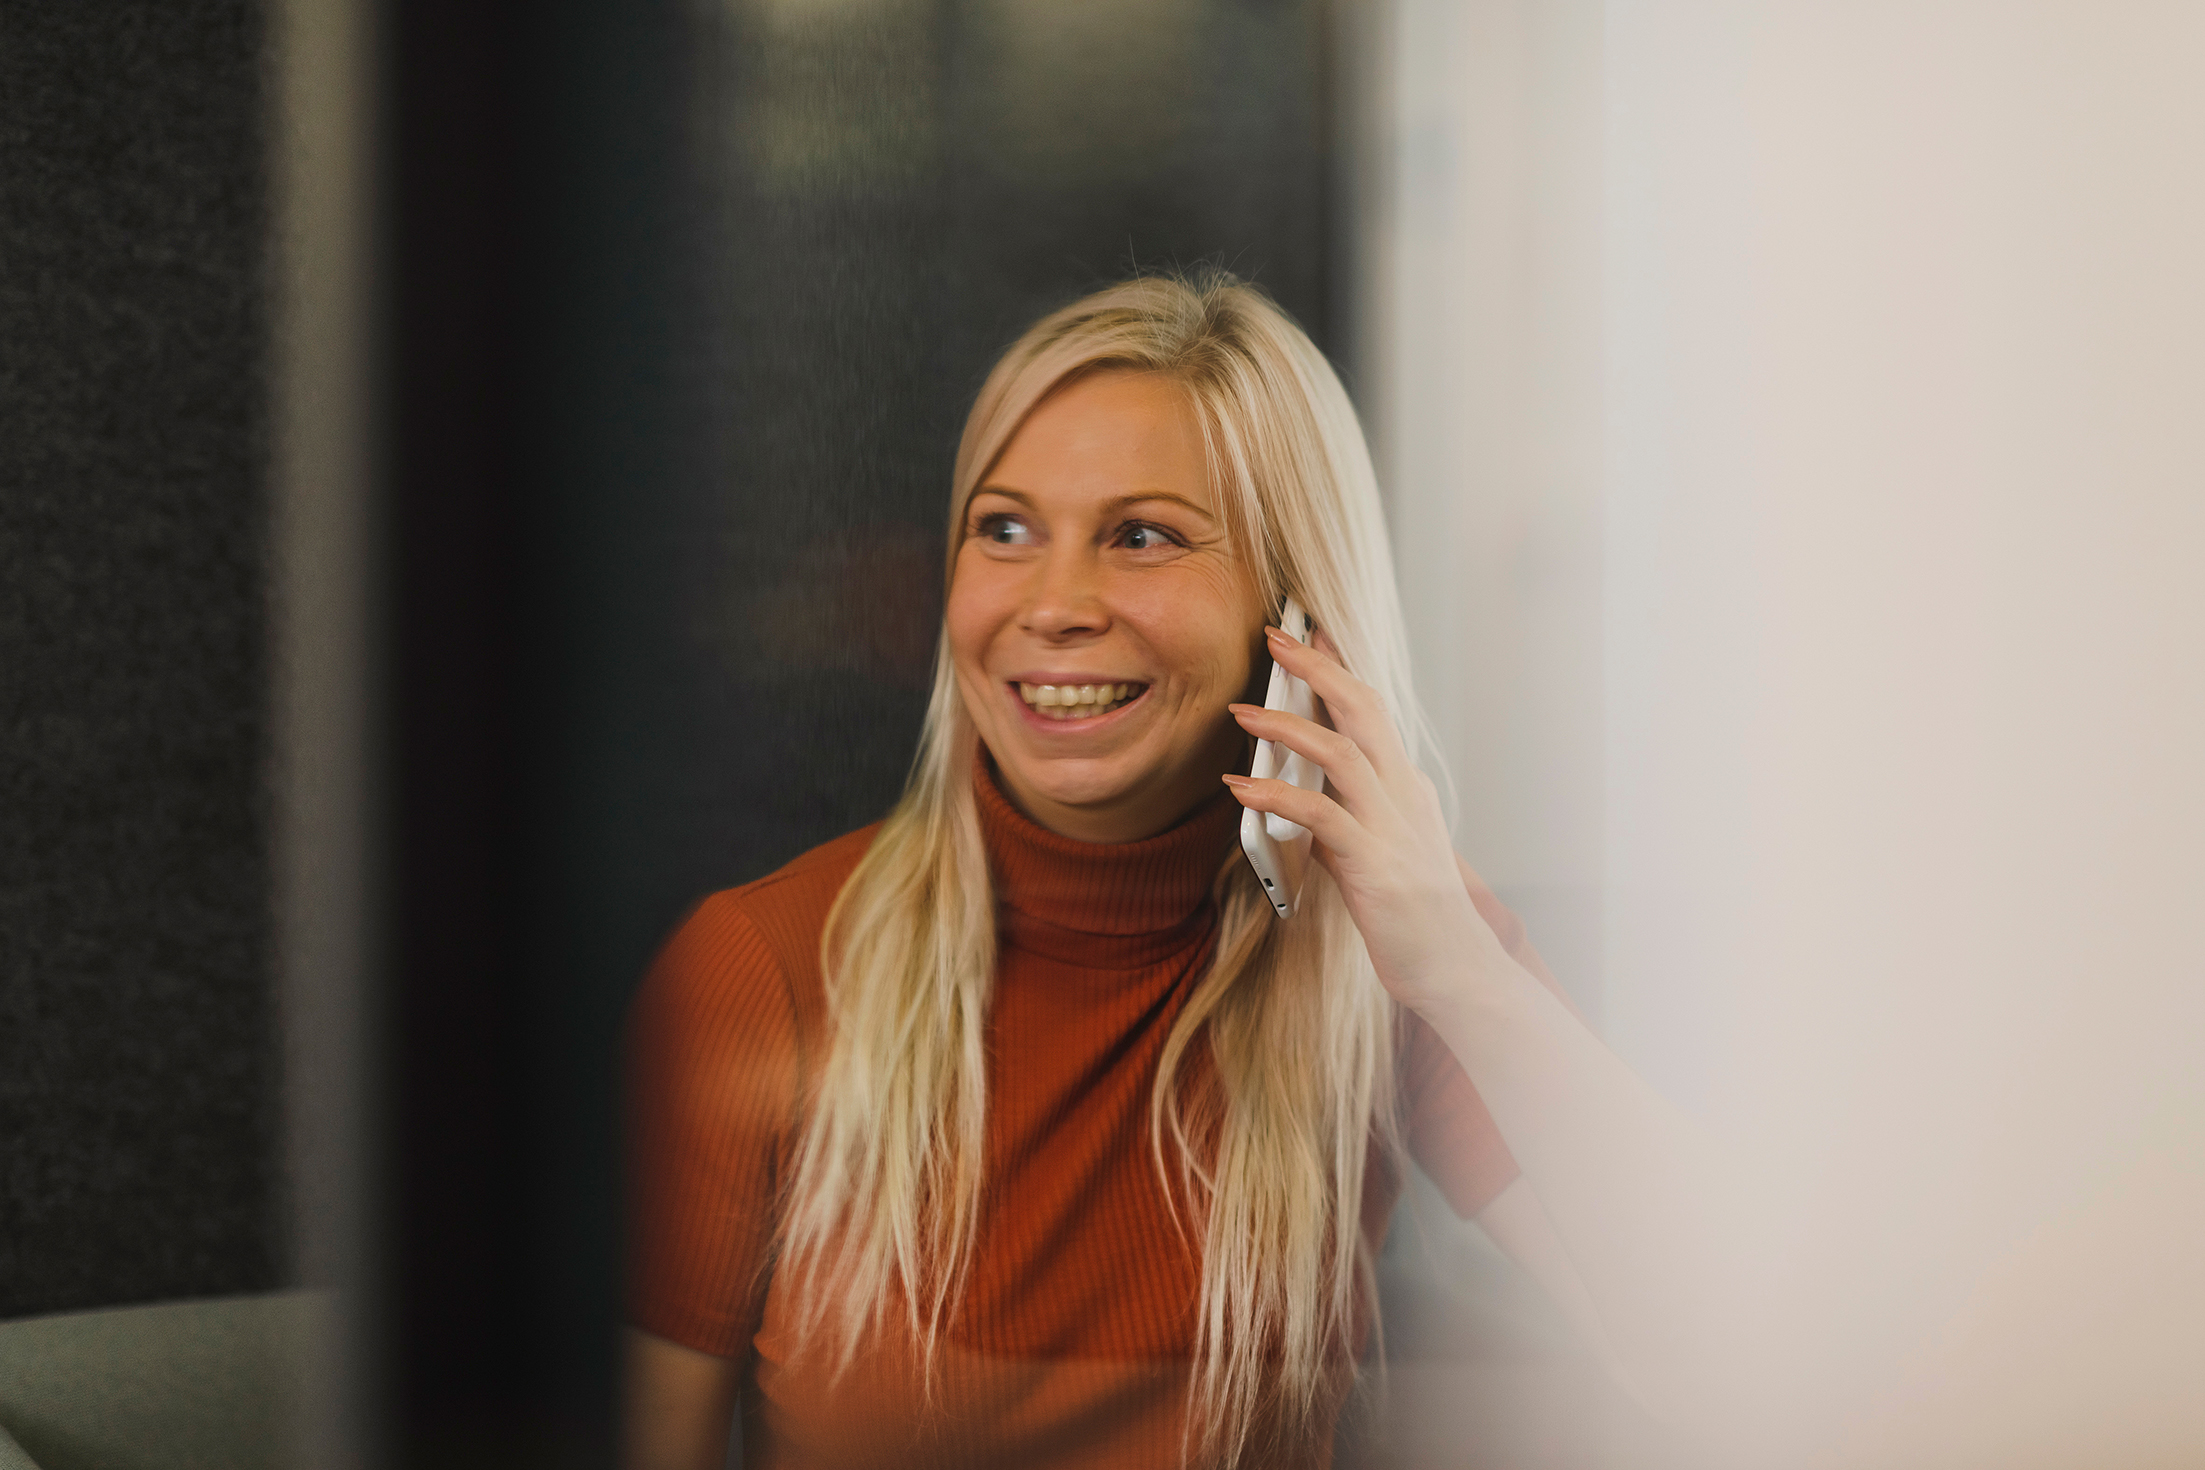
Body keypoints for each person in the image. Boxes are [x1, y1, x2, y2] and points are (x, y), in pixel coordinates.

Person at [623, 273, 1736, 1469]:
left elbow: (1740, 1364)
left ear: (1294, 614)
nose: (1052, 605)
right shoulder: (759, 970)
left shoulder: (1379, 949)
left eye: (1140, 537)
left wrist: (1463, 972)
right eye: (1004, 530)